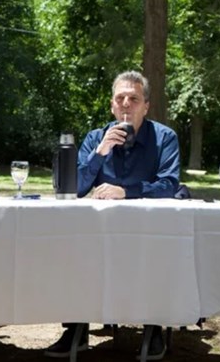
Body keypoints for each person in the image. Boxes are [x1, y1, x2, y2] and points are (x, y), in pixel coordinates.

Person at [44, 71, 181, 361]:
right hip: (100, 233)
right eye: (120, 99)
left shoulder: (164, 138)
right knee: (69, 248)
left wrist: (125, 191)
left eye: (134, 98)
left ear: (146, 105)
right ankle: (76, 328)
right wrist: (101, 152)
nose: (126, 104)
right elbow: (75, 187)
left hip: (148, 232)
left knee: (159, 252)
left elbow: (169, 185)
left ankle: (153, 326)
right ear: (111, 105)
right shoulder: (96, 137)